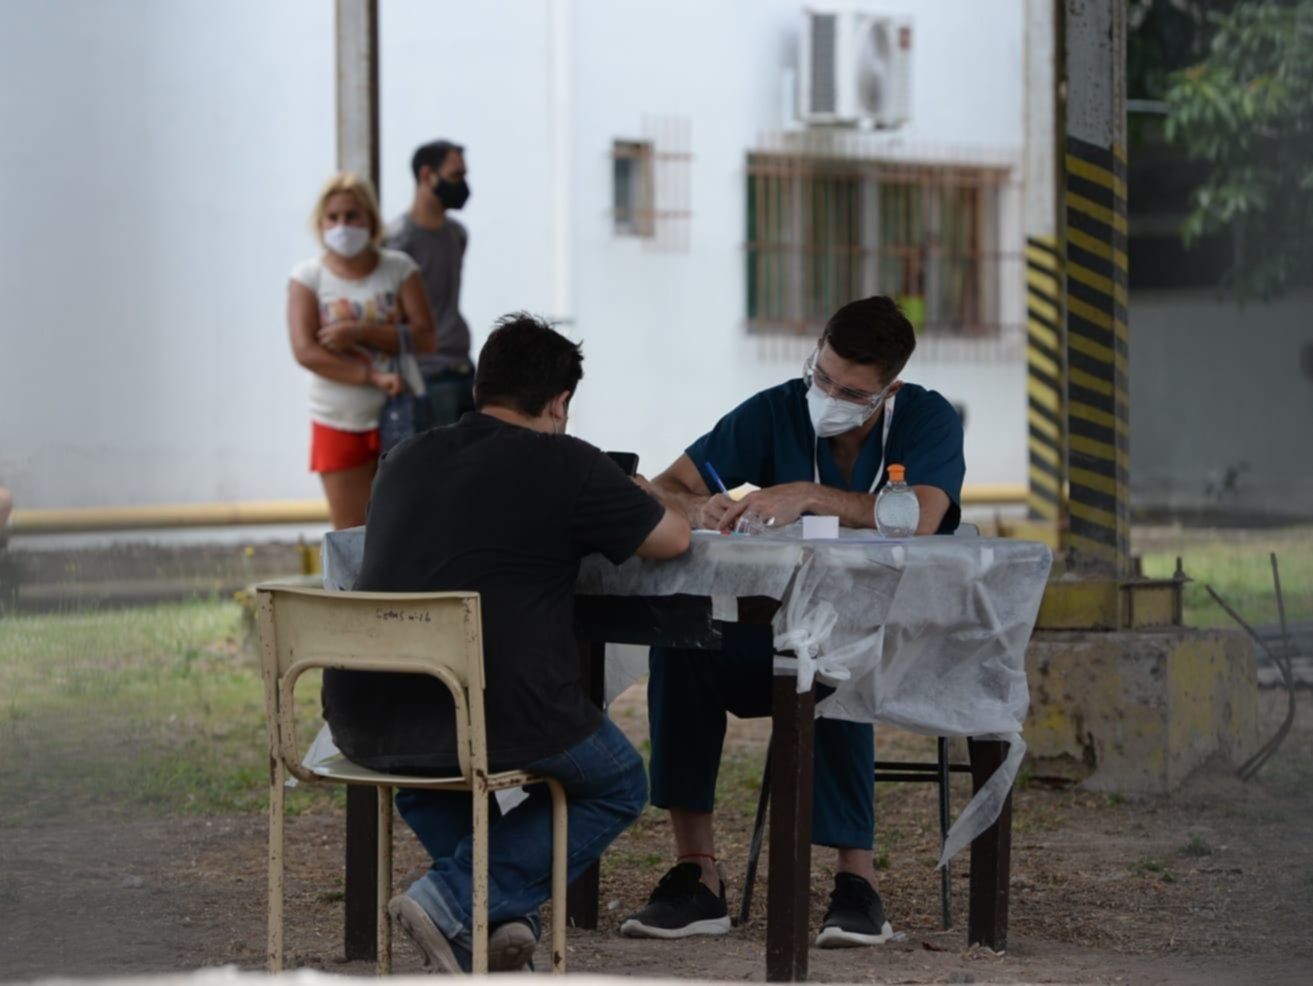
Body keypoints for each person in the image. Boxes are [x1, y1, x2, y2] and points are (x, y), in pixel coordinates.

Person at [322, 313, 691, 973]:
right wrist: (634, 493)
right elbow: (672, 539)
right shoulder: (568, 464)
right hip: (498, 705)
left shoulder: (404, 458)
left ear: (481, 387)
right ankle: (450, 900)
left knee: (425, 775)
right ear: (560, 402)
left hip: (368, 712)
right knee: (615, 782)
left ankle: (496, 920)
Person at [621, 296, 965, 948]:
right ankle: (697, 876)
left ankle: (856, 884)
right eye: (821, 377)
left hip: (895, 649)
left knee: (826, 647)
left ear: (888, 391)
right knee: (684, 644)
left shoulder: (926, 418)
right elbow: (664, 485)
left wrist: (806, 495)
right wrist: (699, 510)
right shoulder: (775, 410)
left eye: (850, 392)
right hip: (777, 637)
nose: (827, 398)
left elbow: (920, 514)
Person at [287, 172, 435, 530]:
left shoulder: (399, 268)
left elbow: (427, 338)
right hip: (337, 417)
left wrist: (360, 331)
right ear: (320, 223)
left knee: (405, 524)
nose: (343, 226)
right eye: (333, 217)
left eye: (352, 215)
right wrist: (371, 376)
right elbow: (305, 351)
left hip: (401, 414)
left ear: (370, 218)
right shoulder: (308, 277)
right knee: (351, 530)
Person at [384, 139, 475, 427]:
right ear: (427, 176)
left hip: (462, 366)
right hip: (426, 374)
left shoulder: (457, 234)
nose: (462, 184)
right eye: (455, 175)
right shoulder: (397, 241)